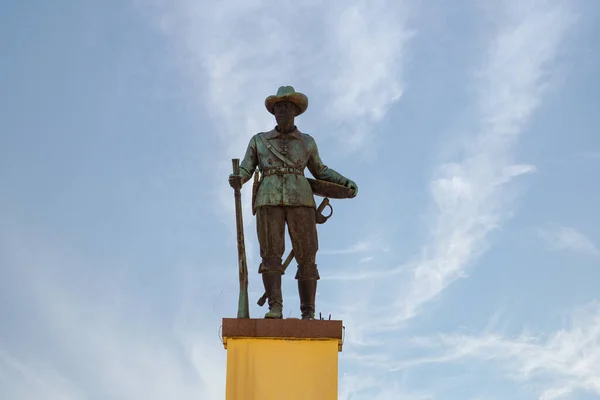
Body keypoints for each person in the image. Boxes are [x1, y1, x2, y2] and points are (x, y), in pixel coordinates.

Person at [228, 86, 358, 320]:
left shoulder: (307, 142)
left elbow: (321, 171)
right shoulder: (259, 141)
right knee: (270, 254)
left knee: (307, 255)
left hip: (301, 198)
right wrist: (239, 177)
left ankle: (307, 311)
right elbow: (247, 166)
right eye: (279, 107)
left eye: (287, 107)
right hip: (268, 198)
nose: (283, 111)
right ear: (274, 111)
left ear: (296, 112)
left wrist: (344, 182)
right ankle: (274, 306)